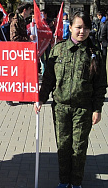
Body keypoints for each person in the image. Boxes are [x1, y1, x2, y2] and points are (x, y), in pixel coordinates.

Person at [34, 11, 107, 188]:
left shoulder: (94, 53)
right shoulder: (58, 50)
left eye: (86, 28)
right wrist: (41, 99)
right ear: (71, 27)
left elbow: (100, 85)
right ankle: (63, 181)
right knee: (63, 147)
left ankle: (76, 183)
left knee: (79, 149)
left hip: (83, 110)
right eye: (78, 27)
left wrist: (97, 109)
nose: (82, 31)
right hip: (61, 109)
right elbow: (49, 78)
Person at [8, 3, 35, 106]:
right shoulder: (16, 21)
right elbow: (14, 38)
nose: (30, 12)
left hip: (22, 52)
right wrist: (28, 38)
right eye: (29, 10)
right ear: (25, 10)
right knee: (14, 76)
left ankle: (22, 97)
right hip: (16, 53)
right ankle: (9, 97)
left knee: (22, 76)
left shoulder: (23, 21)